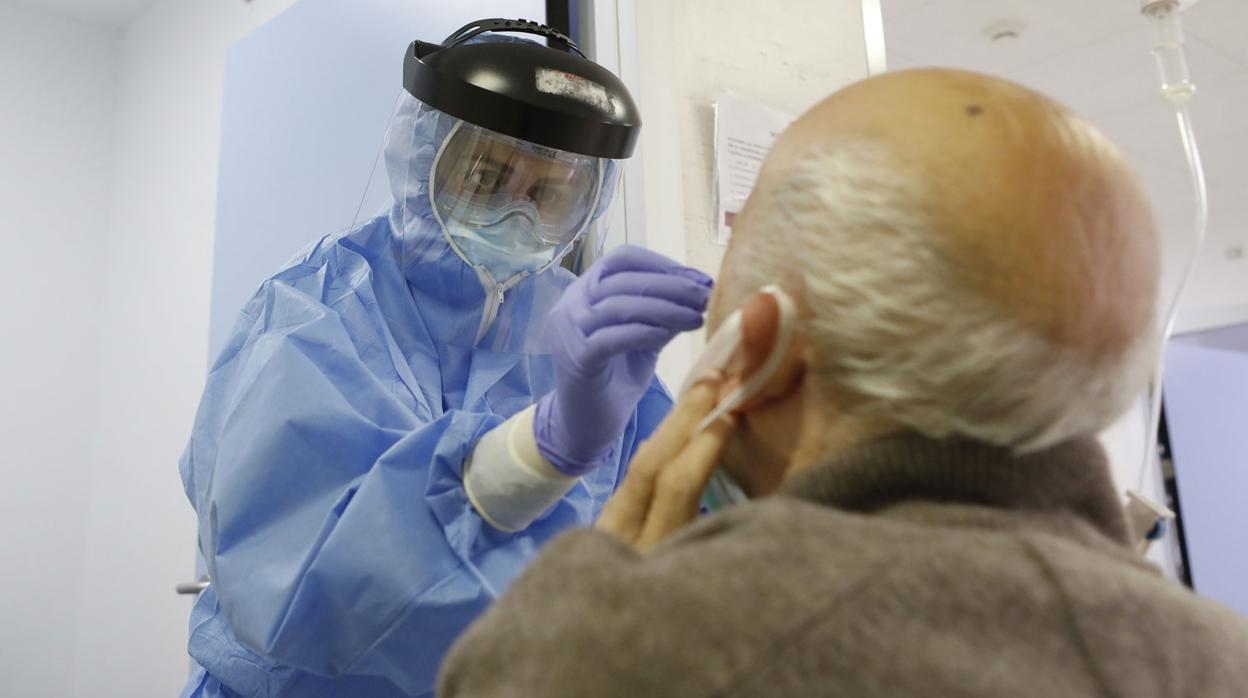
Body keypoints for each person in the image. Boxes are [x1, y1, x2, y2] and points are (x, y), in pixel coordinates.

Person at [437, 68, 1248, 697]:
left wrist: (584, 617)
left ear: (759, 345)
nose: (516, 214)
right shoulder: (1219, 654)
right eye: (488, 180)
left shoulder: (624, 650)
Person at [178, 20, 711, 698]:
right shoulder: (318, 312)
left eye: (550, 194)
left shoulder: (578, 329)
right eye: (490, 176)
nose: (519, 216)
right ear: (423, 153)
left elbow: (672, 526)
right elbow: (301, 580)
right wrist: (535, 453)